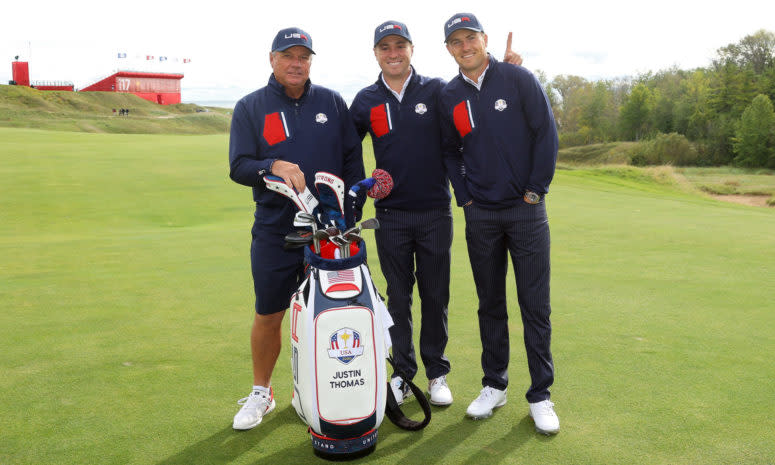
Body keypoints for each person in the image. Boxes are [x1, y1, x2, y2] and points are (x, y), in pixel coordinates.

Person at [350, 21, 523, 408]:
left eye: (400, 45)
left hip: (434, 213)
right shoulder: (365, 100)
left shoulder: (438, 91)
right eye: (385, 47)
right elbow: (348, 152)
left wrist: (506, 73)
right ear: (376, 53)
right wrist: (355, 191)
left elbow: (475, 113)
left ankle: (436, 373)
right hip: (390, 215)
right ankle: (403, 372)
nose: (393, 53)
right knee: (398, 298)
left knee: (435, 296)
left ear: (412, 49)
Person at [228, 27, 364, 430]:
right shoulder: (250, 106)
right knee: (269, 313)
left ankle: (324, 389)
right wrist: (272, 164)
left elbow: (352, 161)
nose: (296, 63)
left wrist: (349, 216)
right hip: (275, 230)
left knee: (334, 313)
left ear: (310, 62)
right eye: (288, 55)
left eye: (303, 56)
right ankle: (261, 393)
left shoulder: (332, 102)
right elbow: (238, 166)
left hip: (328, 233)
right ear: (272, 59)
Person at [438, 13, 560, 435]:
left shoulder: (517, 78)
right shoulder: (449, 94)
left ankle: (541, 394)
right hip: (481, 213)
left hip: (525, 209)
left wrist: (535, 190)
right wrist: (465, 197)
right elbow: (450, 152)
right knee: (490, 302)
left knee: (534, 305)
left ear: (483, 39)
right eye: (456, 41)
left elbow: (546, 133)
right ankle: (495, 384)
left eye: (470, 37)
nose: (465, 46)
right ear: (449, 49)